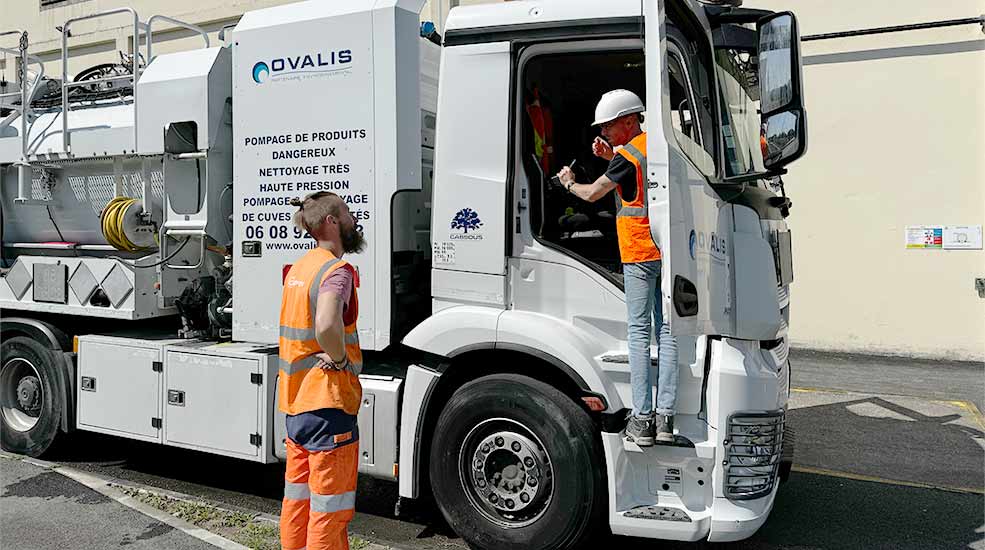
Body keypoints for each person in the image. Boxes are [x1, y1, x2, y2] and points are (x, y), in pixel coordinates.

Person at [555, 89, 679, 445]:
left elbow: (594, 193)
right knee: (667, 332)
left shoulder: (627, 154)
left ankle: (643, 420)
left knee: (639, 334)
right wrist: (613, 156)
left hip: (639, 252)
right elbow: (635, 183)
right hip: (665, 251)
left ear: (629, 121)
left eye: (609, 126)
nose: (604, 133)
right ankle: (666, 420)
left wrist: (568, 183)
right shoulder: (654, 145)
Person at [278, 191, 367, 550]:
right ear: (331, 221)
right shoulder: (336, 270)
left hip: (296, 405)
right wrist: (342, 360)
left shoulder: (300, 268)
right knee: (329, 511)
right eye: (346, 212)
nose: (353, 219)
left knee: (298, 502)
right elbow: (328, 324)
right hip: (327, 405)